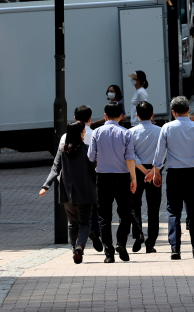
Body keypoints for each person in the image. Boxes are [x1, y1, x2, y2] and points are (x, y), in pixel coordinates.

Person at [145, 96, 194, 260]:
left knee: (173, 211)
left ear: (173, 112)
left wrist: (156, 172)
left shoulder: (166, 128)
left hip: (174, 173)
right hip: (193, 173)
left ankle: (175, 248)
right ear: (188, 110)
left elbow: (159, 154)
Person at [40, 121, 97, 264]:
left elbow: (55, 169)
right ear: (79, 133)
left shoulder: (63, 151)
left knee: (73, 223)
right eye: (83, 131)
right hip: (85, 192)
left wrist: (46, 186)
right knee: (85, 223)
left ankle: (74, 248)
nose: (84, 133)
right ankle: (80, 246)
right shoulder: (87, 150)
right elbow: (94, 171)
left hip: (67, 193)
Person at [87, 102, 137, 263]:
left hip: (103, 177)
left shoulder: (97, 132)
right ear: (121, 116)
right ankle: (121, 242)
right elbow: (130, 157)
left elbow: (90, 157)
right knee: (125, 213)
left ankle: (109, 253)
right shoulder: (126, 133)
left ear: (104, 116)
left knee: (104, 216)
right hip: (122, 177)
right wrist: (134, 178)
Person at [58, 105, 101, 252]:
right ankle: (90, 235)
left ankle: (75, 246)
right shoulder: (93, 136)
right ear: (89, 119)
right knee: (87, 218)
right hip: (86, 187)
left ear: (75, 118)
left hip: (68, 189)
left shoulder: (64, 143)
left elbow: (58, 165)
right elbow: (94, 165)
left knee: (73, 222)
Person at [128, 101, 162, 254]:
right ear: (153, 115)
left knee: (134, 204)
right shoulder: (160, 131)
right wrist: (153, 171)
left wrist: (143, 169)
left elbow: (130, 154)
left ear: (137, 116)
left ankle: (139, 233)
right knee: (153, 207)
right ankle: (151, 242)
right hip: (155, 171)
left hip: (136, 171)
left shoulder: (131, 132)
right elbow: (163, 153)